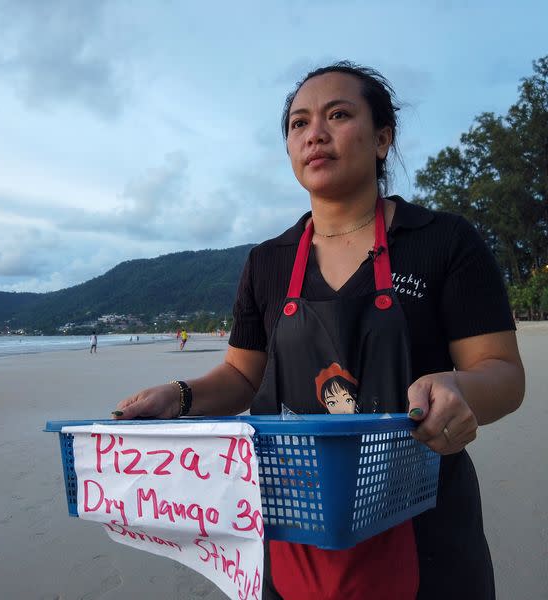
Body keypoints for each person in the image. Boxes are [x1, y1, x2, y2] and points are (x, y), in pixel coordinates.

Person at [113, 61, 525, 599]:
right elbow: (242, 375)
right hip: (293, 523)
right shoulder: (268, 262)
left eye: (338, 115)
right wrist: (180, 396)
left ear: (382, 138)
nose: (316, 135)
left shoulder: (443, 241)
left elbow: (502, 373)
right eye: (299, 123)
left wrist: (458, 389)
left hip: (426, 525)